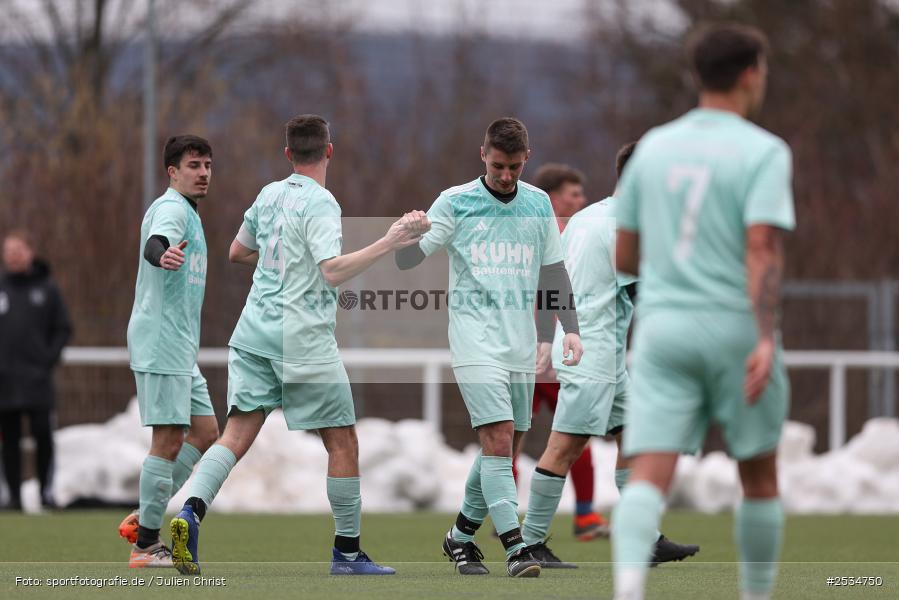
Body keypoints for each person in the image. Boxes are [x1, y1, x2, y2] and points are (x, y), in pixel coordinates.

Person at [170, 114, 425, 576]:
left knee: (235, 434)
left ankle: (190, 511)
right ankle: (347, 555)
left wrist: (280, 256)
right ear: (329, 150)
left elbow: (236, 251)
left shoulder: (269, 193)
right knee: (343, 440)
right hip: (300, 335)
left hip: (252, 331)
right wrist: (388, 241)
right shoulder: (323, 203)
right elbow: (332, 270)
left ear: (288, 154)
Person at [611, 23, 794, 600]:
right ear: (750, 74)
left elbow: (626, 254)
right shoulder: (764, 150)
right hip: (733, 324)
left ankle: (628, 588)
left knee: (648, 474)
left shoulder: (653, 147)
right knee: (758, 474)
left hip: (662, 329)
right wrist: (764, 336)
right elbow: (761, 245)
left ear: (696, 75)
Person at [397, 117, 583, 578]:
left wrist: (568, 330)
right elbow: (405, 260)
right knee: (498, 441)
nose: (505, 175)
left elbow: (553, 273)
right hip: (474, 341)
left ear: (527, 159)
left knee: (505, 447)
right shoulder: (455, 202)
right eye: (498, 165)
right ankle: (516, 547)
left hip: (519, 346)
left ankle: (459, 538)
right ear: (483, 155)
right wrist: (408, 232)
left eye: (514, 167)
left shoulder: (538, 204)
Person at [519, 143, 699, 569]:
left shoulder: (589, 215)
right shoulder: (624, 227)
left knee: (635, 437)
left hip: (596, 351)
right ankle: (528, 543)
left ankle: (645, 537)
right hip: (592, 355)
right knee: (564, 447)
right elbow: (644, 295)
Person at [120, 136, 220, 568]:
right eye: (194, 165)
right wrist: (161, 256)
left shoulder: (190, 214)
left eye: (208, 165)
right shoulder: (173, 209)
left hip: (178, 347)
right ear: (172, 172)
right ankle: (145, 545)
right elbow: (155, 243)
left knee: (205, 431)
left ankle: (148, 514)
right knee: (166, 439)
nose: (203, 173)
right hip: (160, 342)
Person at [513, 163, 611, 542]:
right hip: (539, 352)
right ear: (553, 197)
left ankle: (576, 515)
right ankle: (512, 516)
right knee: (563, 433)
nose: (582, 200)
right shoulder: (548, 234)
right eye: (574, 194)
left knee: (555, 432)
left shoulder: (571, 233)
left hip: (548, 352)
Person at [0, 230, 72, 510]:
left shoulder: (47, 289)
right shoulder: (2, 288)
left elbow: (63, 329)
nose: (14, 255)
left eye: (19, 250)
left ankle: (46, 493)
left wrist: (46, 360)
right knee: (10, 442)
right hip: (5, 382)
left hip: (38, 380)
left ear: (30, 252)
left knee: (43, 436)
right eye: (9, 250)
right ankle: (14, 498)